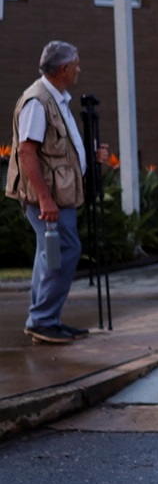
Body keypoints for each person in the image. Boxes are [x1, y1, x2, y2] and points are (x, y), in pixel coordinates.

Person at [8, 41, 110, 344]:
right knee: (63, 251)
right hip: (50, 198)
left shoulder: (56, 100)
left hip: (59, 195)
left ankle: (44, 319)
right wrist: (44, 198)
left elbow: (59, 149)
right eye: (76, 63)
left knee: (49, 254)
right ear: (63, 68)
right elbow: (27, 153)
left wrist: (91, 156)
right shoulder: (37, 102)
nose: (79, 68)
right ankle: (42, 320)